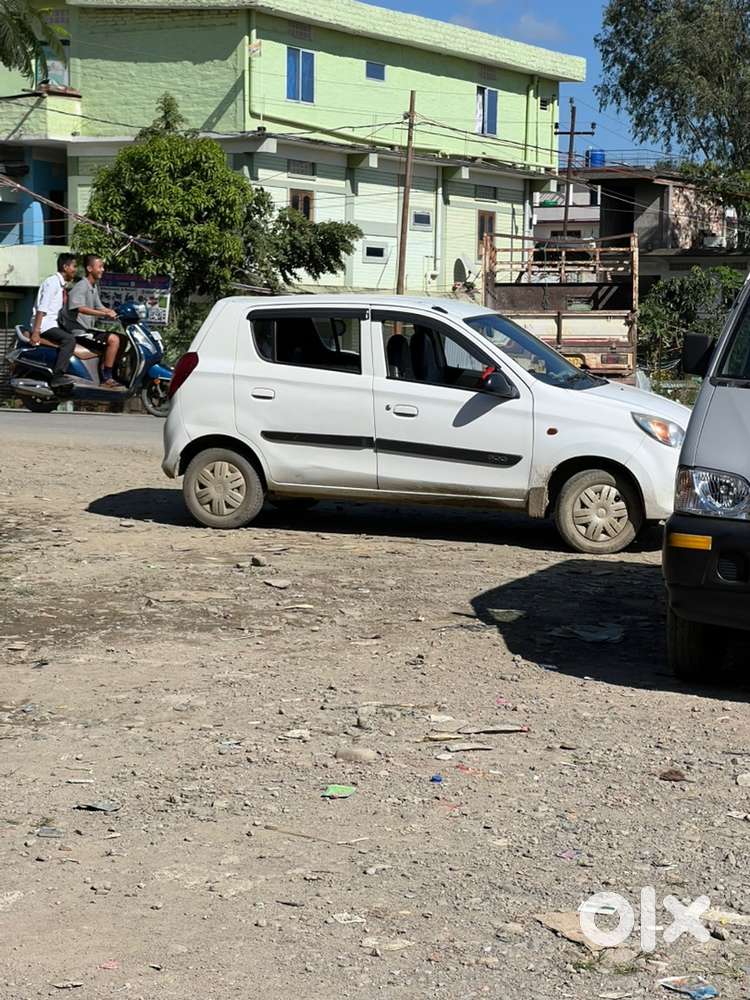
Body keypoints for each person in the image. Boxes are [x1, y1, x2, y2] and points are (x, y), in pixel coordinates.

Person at [67, 255, 120, 387]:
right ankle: (106, 378)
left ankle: (111, 373)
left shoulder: (93, 286)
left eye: (103, 267)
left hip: (88, 330)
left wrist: (114, 312)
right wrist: (104, 314)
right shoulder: (81, 286)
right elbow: (79, 308)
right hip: (79, 332)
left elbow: (99, 306)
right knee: (114, 340)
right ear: (90, 268)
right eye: (100, 267)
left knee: (121, 339)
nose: (102, 269)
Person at [29, 252, 79, 387]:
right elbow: (42, 308)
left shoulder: (60, 285)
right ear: (65, 267)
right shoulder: (52, 283)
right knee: (69, 340)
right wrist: (36, 332)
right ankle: (58, 376)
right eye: (74, 266)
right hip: (45, 325)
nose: (76, 270)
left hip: (52, 323)